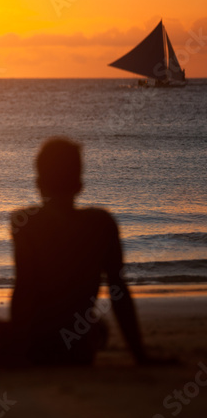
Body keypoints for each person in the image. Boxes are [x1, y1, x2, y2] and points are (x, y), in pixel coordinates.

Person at [10, 137, 154, 365]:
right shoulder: (102, 223)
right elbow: (119, 290)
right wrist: (140, 355)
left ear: (38, 183)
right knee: (95, 326)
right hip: (80, 348)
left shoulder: (25, 222)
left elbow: (24, 288)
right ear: (79, 184)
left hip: (36, 345)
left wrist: (17, 353)